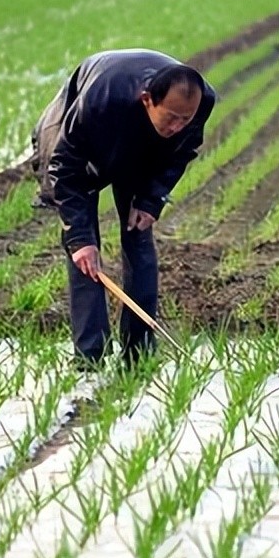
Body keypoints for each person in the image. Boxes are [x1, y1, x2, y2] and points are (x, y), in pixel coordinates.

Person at [30, 48, 216, 369]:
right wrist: (78, 238)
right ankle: (91, 356)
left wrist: (150, 200)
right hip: (86, 151)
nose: (177, 126)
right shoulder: (99, 100)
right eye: (171, 117)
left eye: (184, 120)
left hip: (144, 153)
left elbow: (180, 153)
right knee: (85, 254)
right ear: (147, 100)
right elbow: (63, 166)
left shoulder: (200, 103)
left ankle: (139, 351)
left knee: (139, 235)